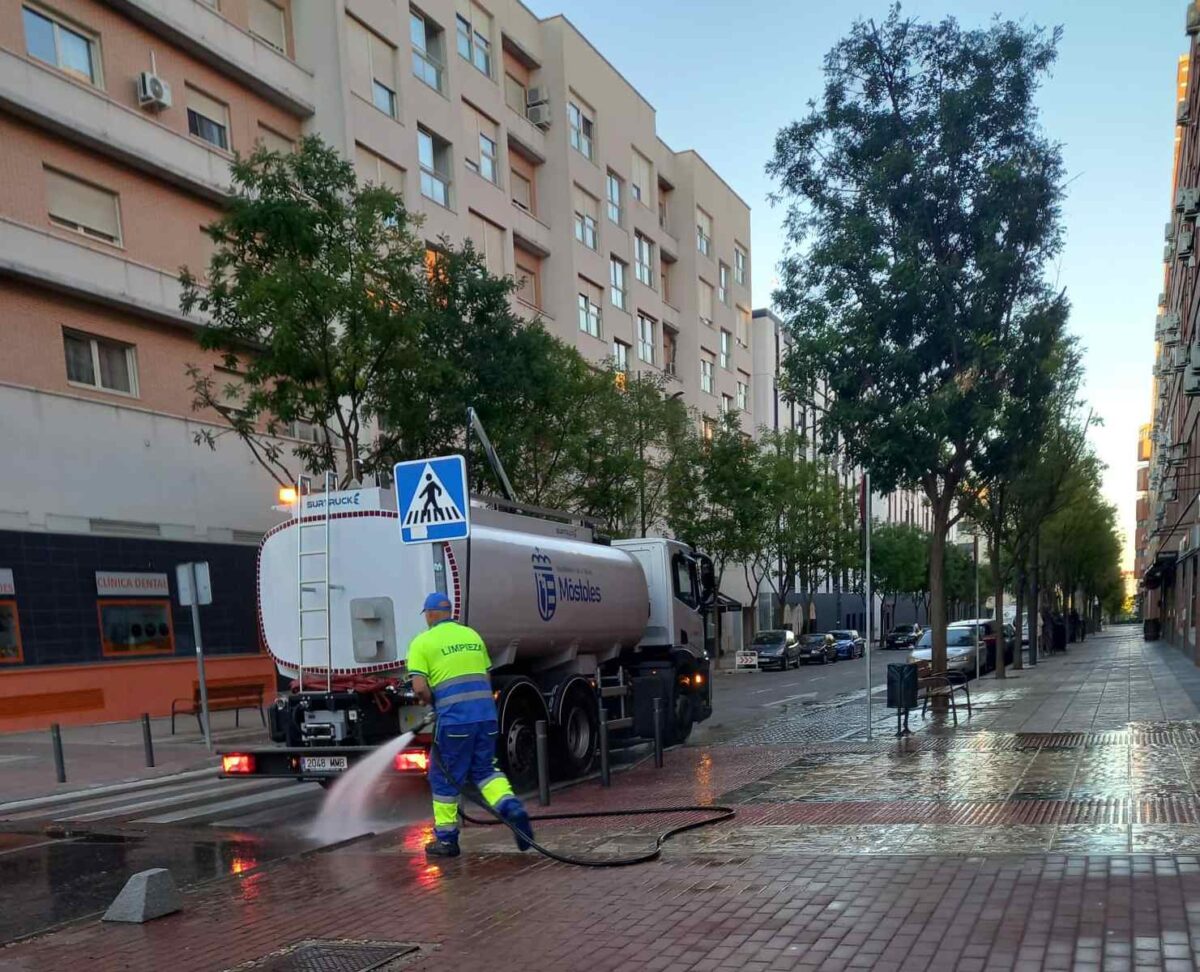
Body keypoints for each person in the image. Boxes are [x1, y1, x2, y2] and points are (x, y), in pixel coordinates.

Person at [406, 592, 533, 859]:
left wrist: (432, 701)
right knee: (485, 770)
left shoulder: (422, 642)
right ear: (449, 612)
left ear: (429, 615)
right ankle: (511, 806)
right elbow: (485, 677)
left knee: (443, 778)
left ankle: (447, 840)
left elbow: (419, 687)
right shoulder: (472, 636)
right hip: (486, 716)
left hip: (454, 721)